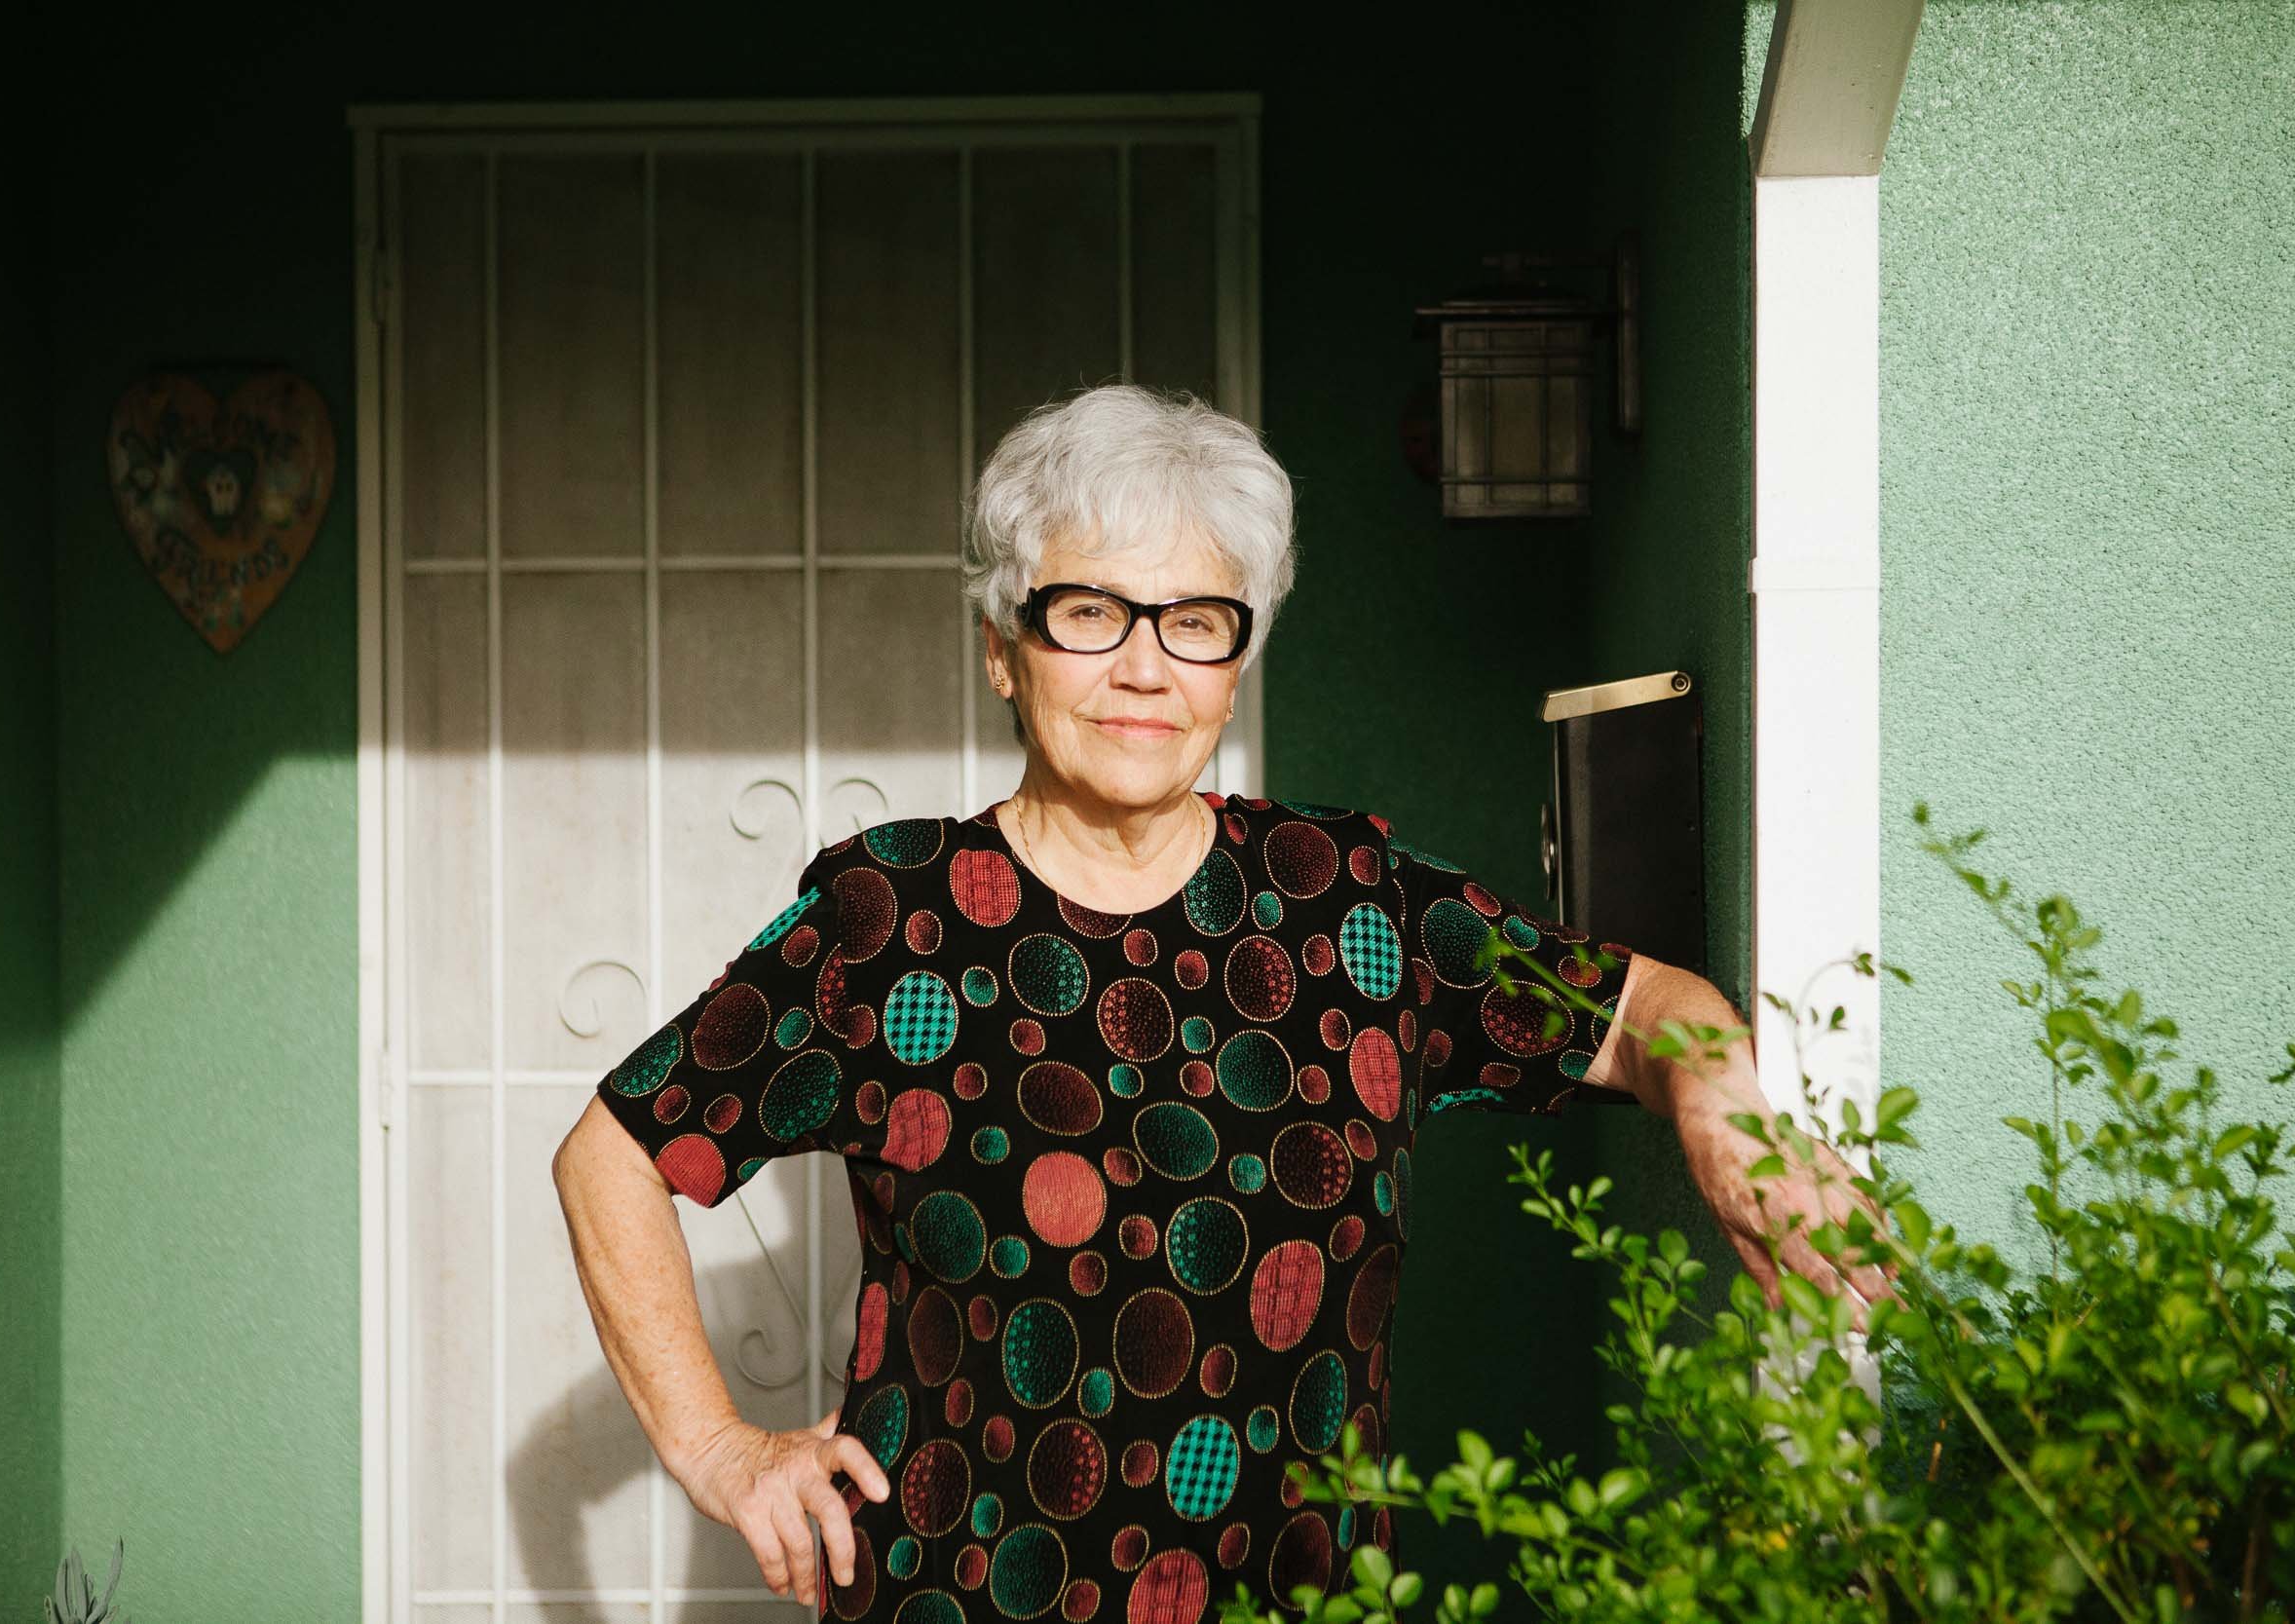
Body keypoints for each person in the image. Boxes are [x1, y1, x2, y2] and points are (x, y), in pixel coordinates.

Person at [552, 383, 1891, 1619]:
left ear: (1236, 663)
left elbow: (1648, 1005)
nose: (1146, 668)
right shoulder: (888, 921)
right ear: (1004, 652)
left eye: (1194, 622)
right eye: (1090, 613)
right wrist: (720, 1449)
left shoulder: (1351, 905)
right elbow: (613, 1151)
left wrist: (1726, 1127)